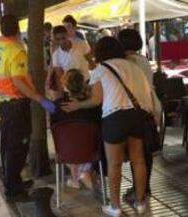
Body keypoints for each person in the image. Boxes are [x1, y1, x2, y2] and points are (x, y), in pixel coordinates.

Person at [63, 37, 153, 217]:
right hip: (137, 116)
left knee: (114, 164)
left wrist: (78, 105)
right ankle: (140, 202)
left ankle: (115, 206)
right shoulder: (134, 68)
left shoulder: (101, 70)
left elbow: (96, 100)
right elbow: (146, 94)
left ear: (100, 52)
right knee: (138, 160)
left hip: (115, 117)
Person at [0, 14, 56, 202]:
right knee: (17, 147)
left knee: (7, 146)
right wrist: (40, 99)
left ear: (1, 28)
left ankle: (12, 181)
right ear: (17, 29)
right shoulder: (17, 50)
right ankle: (14, 191)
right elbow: (18, 82)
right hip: (17, 105)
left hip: (3, 104)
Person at [117, 29, 162, 205]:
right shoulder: (143, 60)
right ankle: (143, 187)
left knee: (136, 154)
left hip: (133, 109)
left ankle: (139, 190)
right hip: (150, 106)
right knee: (146, 151)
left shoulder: (125, 62)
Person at [51, 69, 101, 189]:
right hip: (91, 150)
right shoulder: (93, 106)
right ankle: (84, 173)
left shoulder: (57, 106)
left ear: (65, 86)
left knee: (68, 141)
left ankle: (77, 176)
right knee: (83, 139)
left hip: (66, 152)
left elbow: (54, 130)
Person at [49, 26, 92, 98]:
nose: (61, 41)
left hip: (86, 83)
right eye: (58, 39)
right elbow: (59, 76)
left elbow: (91, 62)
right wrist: (61, 94)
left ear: (67, 35)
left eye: (63, 38)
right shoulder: (56, 55)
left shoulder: (81, 44)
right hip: (70, 89)